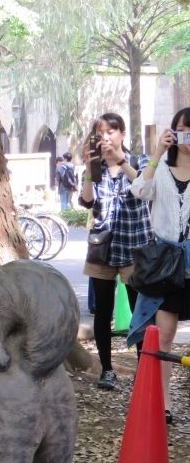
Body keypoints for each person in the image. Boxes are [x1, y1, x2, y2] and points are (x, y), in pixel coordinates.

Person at [78, 112, 151, 390]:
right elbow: (86, 201)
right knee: (103, 312)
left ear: (122, 134)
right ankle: (107, 369)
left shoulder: (137, 161)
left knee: (140, 310)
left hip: (135, 247)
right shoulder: (95, 167)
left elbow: (144, 187)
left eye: (112, 131)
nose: (106, 137)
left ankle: (145, 369)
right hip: (102, 249)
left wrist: (120, 160)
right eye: (101, 132)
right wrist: (88, 168)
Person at [128, 108, 190, 423]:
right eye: (182, 130)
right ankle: (163, 403)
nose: (186, 136)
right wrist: (156, 153)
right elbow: (139, 191)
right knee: (164, 333)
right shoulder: (162, 167)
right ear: (173, 132)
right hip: (167, 263)